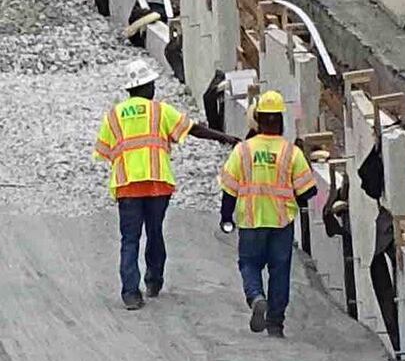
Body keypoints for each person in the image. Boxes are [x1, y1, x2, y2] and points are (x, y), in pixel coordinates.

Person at [216, 87, 318, 336]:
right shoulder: (290, 153)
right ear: (280, 121)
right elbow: (308, 192)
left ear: (258, 120)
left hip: (251, 221)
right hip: (281, 223)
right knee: (279, 271)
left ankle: (256, 297)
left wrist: (226, 217)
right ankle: (275, 323)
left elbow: (229, 189)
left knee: (249, 264)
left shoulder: (243, 150)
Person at [95, 75, 196, 310]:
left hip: (127, 185)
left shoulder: (114, 115)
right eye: (152, 85)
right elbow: (192, 128)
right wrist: (225, 138)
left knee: (129, 239)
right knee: (155, 231)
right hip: (157, 183)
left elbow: (103, 150)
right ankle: (153, 281)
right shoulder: (159, 111)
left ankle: (130, 294)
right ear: (145, 86)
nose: (154, 88)